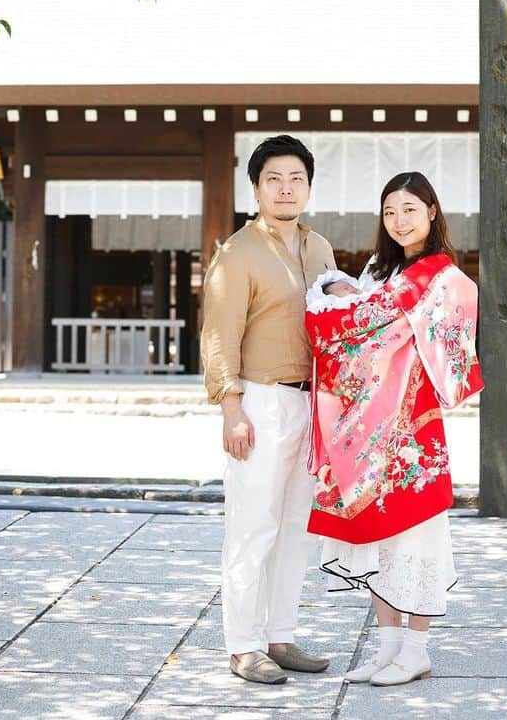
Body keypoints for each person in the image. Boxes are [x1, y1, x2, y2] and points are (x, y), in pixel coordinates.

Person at [304, 171, 484, 686]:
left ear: (432, 210)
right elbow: (364, 321)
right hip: (368, 425)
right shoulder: (380, 269)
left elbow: (367, 321)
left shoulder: (440, 274)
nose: (400, 220)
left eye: (409, 209)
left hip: (411, 426)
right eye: (390, 212)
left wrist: (333, 317)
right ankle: (386, 648)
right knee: (379, 537)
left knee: (417, 534)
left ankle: (418, 648)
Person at [200, 134, 337, 685]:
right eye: (273, 179)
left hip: (311, 404)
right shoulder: (237, 253)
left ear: (308, 186)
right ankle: (244, 645)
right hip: (258, 400)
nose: (285, 188)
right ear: (256, 187)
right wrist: (232, 409)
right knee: (252, 527)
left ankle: (280, 636)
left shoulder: (321, 248)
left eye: (295, 178)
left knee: (295, 528)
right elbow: (219, 336)